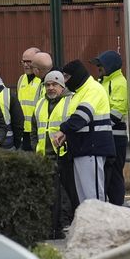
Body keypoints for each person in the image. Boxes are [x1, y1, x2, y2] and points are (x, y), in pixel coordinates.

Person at [56, 59, 114, 206]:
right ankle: (90, 227)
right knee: (85, 200)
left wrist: (63, 130)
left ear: (77, 75)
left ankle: (99, 228)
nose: (66, 82)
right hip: (83, 149)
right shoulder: (81, 91)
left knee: (93, 198)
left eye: (67, 78)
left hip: (92, 148)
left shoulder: (92, 89)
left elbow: (81, 117)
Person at [36, 70, 76, 237]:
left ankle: (63, 225)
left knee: (65, 193)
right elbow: (34, 129)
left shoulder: (71, 101)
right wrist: (35, 146)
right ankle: (52, 227)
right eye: (48, 85)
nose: (51, 88)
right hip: (44, 156)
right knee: (50, 194)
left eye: (54, 85)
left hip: (64, 155)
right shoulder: (40, 103)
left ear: (62, 86)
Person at [92, 50, 130, 206]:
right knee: (107, 174)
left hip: (115, 136)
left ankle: (117, 207)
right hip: (106, 134)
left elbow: (117, 111)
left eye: (101, 65)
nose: (98, 68)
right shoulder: (102, 82)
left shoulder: (119, 83)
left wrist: (97, 125)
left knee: (114, 175)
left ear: (111, 66)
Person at [11, 48, 44, 152]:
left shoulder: (42, 80)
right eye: (23, 61)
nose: (25, 65)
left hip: (37, 131)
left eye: (29, 61)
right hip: (23, 131)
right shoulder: (21, 79)